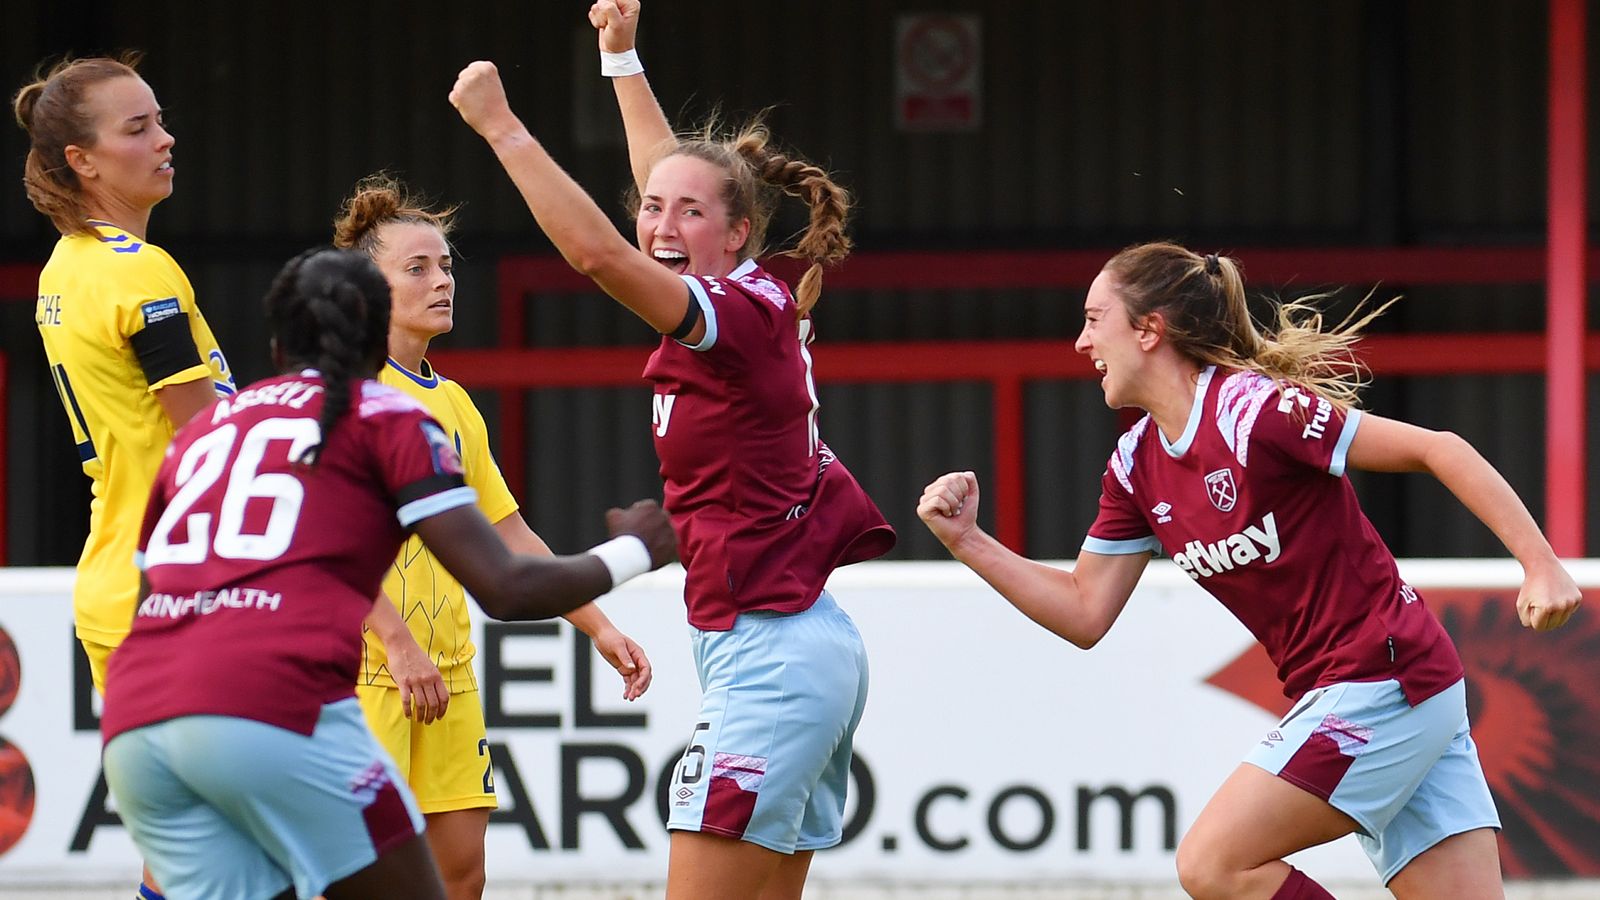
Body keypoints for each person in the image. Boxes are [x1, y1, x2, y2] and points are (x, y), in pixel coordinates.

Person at [918, 241, 1583, 900]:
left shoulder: (1254, 411)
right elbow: (1085, 612)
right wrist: (970, 542)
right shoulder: (1135, 465)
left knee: (1213, 863)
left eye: (1095, 319)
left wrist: (1540, 564)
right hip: (1386, 693)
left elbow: (1440, 450)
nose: (1079, 342)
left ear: (1151, 329)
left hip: (1384, 681)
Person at [448, 3, 896, 894]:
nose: (663, 224)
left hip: (769, 652)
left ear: (736, 235)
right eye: (653, 208)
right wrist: (622, 60)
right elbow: (666, 192)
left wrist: (502, 128)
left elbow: (598, 256)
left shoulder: (728, 318)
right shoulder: (757, 292)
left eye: (691, 214)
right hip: (797, 643)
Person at [99, 247, 677, 900]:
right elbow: (505, 588)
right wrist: (635, 551)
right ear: (378, 340)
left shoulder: (203, 433)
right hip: (271, 710)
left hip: (137, 722)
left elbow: (159, 591)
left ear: (276, 342)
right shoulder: (384, 416)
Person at [329, 173, 654, 899]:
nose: (441, 280)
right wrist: (395, 639)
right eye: (417, 267)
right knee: (356, 880)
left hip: (447, 676)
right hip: (363, 677)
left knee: (462, 874)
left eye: (445, 265)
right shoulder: (344, 397)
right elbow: (321, 548)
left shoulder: (454, 404)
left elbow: (508, 531)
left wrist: (596, 625)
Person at [13, 55, 235, 900]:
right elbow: (209, 442)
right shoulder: (139, 272)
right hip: (179, 585)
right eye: (138, 128)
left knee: (191, 844)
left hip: (118, 579)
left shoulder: (64, 270)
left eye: (160, 119)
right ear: (84, 160)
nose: (165, 139)